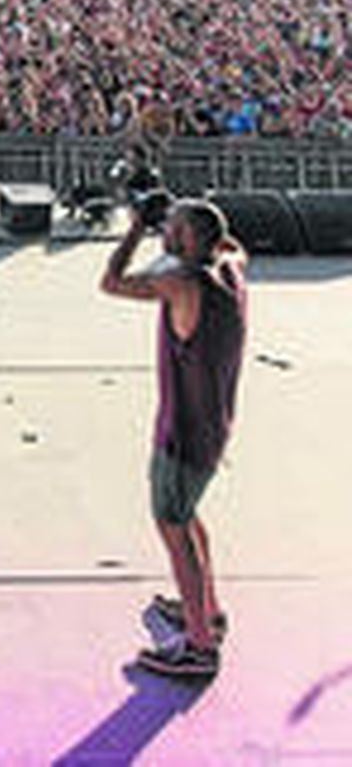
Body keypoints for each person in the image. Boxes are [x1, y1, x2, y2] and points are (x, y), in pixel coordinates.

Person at [100, 198, 248, 678]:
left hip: (182, 434)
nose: (164, 229)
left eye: (172, 227)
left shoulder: (181, 283)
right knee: (188, 518)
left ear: (186, 241)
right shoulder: (230, 273)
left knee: (172, 526)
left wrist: (136, 229)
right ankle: (207, 609)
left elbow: (111, 282)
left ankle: (199, 646)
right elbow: (232, 245)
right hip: (212, 426)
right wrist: (194, 223)